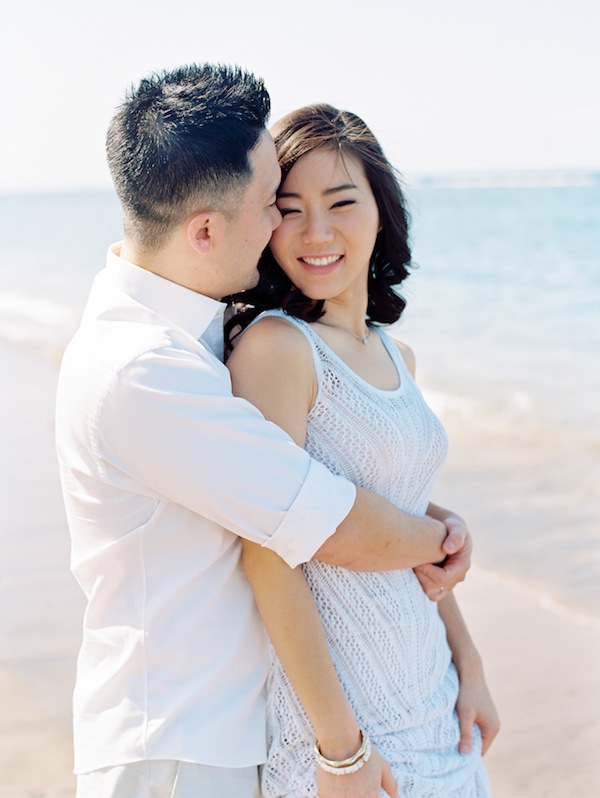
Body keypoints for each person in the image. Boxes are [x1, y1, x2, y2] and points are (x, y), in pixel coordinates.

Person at [55, 65, 471, 798]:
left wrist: (434, 530)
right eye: (272, 205)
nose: (289, 228)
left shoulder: (193, 333)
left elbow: (346, 479)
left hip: (223, 736)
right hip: (177, 748)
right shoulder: (145, 370)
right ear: (208, 228)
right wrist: (442, 542)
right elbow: (320, 522)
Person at [226, 104, 499, 797]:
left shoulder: (395, 352)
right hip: (354, 740)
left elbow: (405, 534)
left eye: (341, 202)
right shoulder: (276, 349)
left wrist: (470, 666)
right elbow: (267, 553)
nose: (316, 232)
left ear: (381, 210)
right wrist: (341, 749)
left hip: (438, 711)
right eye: (289, 208)